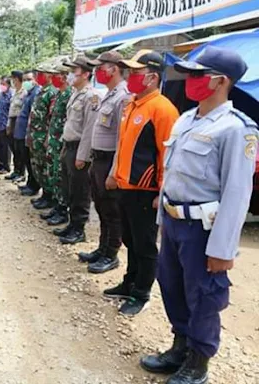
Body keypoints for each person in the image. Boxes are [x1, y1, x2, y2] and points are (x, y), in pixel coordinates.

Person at [140, 47, 258, 384]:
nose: (189, 81)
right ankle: (179, 346)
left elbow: (237, 193)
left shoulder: (237, 129)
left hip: (203, 229)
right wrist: (163, 218)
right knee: (172, 286)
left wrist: (223, 249)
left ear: (221, 81)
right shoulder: (186, 118)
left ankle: (198, 361)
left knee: (203, 295)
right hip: (175, 222)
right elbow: (173, 171)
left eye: (196, 75)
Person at [103, 49, 179, 316]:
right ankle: (129, 281)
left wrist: (162, 190)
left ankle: (141, 292)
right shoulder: (132, 104)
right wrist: (115, 174)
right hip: (126, 187)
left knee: (145, 244)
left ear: (152, 77)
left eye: (136, 73)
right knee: (129, 239)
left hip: (146, 192)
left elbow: (168, 155)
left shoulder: (163, 110)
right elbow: (123, 146)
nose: (131, 77)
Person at [78, 51, 130, 274]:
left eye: (102, 67)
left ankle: (111, 254)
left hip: (110, 161)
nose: (98, 71)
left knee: (112, 210)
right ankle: (102, 248)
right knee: (100, 206)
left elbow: (122, 138)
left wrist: (115, 170)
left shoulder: (123, 96)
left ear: (115, 69)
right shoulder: (108, 95)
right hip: (98, 160)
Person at [54, 56, 100, 244]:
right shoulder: (75, 93)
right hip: (69, 145)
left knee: (81, 191)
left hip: (79, 148)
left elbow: (90, 129)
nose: (71, 75)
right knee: (69, 188)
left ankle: (79, 229)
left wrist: (82, 156)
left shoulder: (91, 96)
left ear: (86, 74)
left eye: (75, 72)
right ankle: (72, 225)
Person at [41, 59, 74, 226]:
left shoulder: (69, 94)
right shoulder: (60, 94)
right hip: (53, 141)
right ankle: (56, 205)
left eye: (56, 75)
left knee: (61, 178)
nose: (53, 78)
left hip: (61, 143)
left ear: (65, 76)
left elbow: (68, 121)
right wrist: (48, 138)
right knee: (53, 175)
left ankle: (62, 210)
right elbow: (52, 119)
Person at [28, 63, 59, 210]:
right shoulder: (41, 91)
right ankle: (44, 195)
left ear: (49, 75)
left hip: (43, 137)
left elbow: (51, 117)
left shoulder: (52, 92)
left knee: (46, 170)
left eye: (42, 73)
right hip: (35, 136)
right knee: (37, 168)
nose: (38, 76)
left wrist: (47, 137)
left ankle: (49, 197)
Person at [15, 70, 42, 196]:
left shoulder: (36, 93)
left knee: (32, 162)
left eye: (29, 79)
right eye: (24, 79)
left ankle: (33, 186)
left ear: (35, 79)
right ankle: (29, 184)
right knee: (26, 159)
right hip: (23, 131)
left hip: (30, 132)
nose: (26, 82)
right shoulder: (28, 93)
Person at [5, 70, 26, 182]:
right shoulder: (15, 92)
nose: (12, 81)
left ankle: (21, 172)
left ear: (17, 79)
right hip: (12, 121)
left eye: (13, 79)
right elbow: (11, 109)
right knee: (13, 146)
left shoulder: (24, 92)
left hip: (19, 121)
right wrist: (8, 124)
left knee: (19, 148)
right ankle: (16, 170)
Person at [0, 76, 13, 173]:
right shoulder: (1, 94)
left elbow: (11, 111)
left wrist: (9, 125)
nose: (2, 86)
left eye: (4, 84)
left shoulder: (11, 95)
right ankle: (0, 165)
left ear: (9, 85)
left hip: (5, 125)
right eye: (1, 84)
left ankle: (6, 166)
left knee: (5, 147)